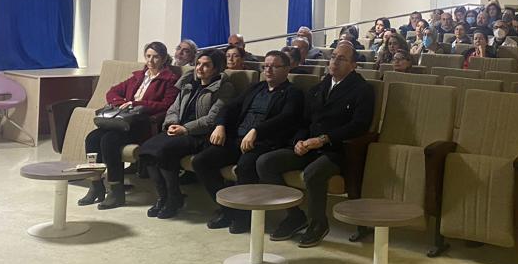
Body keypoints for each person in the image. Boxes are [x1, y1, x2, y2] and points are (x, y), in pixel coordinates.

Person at [257, 41, 375, 247]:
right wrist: (299, 141)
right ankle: (294, 216)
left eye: (341, 59)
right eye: (333, 57)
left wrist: (323, 139)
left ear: (353, 65)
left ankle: (318, 223)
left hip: (337, 150)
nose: (334, 61)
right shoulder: (319, 88)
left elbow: (359, 126)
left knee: (313, 173)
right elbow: (304, 122)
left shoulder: (362, 89)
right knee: (265, 163)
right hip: (309, 146)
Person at [192, 51, 303, 233]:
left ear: (286, 69)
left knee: (245, 167)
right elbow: (230, 107)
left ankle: (243, 217)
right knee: (201, 161)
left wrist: (257, 131)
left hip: (265, 142)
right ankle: (227, 210)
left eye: (274, 66)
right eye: (266, 66)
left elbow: (286, 117)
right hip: (237, 138)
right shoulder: (256, 87)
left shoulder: (293, 93)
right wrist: (220, 125)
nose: (268, 70)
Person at [135, 50, 235, 219]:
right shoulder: (189, 83)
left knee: (164, 151)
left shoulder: (224, 87)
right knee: (146, 150)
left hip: (200, 134)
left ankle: (174, 198)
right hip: (179, 129)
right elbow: (173, 108)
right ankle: (163, 197)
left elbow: (212, 119)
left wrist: (185, 129)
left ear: (216, 68)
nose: (200, 68)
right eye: (198, 64)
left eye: (206, 65)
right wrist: (172, 124)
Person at [80, 42, 180, 210]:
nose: (151, 60)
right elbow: (112, 92)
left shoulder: (170, 80)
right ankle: (96, 185)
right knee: (92, 138)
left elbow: (167, 105)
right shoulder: (138, 76)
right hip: (122, 120)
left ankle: (116, 191)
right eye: (148, 56)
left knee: (109, 140)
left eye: (156, 57)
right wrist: (122, 103)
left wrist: (136, 104)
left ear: (164, 59)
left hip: (142, 124)